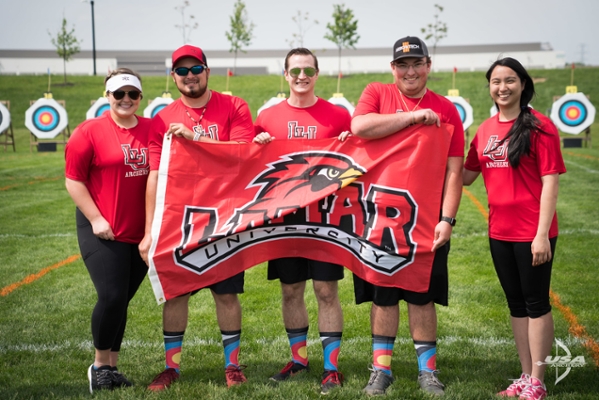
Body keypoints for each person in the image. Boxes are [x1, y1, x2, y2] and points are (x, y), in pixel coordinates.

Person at [350, 36, 464, 396]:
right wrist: (412, 116)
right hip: (380, 216)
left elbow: (455, 171)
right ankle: (380, 370)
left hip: (427, 220)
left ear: (429, 65)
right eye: (403, 64)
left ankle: (427, 371)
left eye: (417, 63)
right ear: (393, 69)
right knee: (383, 296)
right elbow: (360, 127)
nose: (410, 71)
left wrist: (448, 219)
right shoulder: (377, 93)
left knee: (421, 296)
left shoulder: (446, 109)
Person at [139, 44, 254, 391]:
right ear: (173, 76)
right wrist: (149, 232)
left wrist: (198, 138)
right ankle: (171, 367)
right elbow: (156, 176)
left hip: (227, 216)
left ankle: (232, 366)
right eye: (182, 71)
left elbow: (243, 155)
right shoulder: (162, 118)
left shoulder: (234, 105)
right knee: (176, 292)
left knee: (226, 294)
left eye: (196, 69)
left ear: (207, 70)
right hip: (182, 217)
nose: (190, 76)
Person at [463, 57, 566, 400]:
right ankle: (524, 375)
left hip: (532, 233)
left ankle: (537, 380)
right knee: (516, 305)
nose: (502, 87)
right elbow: (465, 176)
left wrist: (541, 235)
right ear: (489, 87)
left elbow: (550, 183)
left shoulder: (540, 126)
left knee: (536, 303)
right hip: (499, 234)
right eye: (495, 81)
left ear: (523, 84)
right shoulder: (484, 129)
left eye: (509, 80)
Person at [253, 47, 350, 395]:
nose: (301, 77)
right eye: (295, 71)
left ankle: (331, 367)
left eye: (308, 70)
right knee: (291, 290)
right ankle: (299, 360)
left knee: (326, 290)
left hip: (324, 218)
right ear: (285, 75)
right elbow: (247, 164)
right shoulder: (267, 117)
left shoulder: (338, 116)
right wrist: (257, 142)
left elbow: (357, 159)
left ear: (317, 73)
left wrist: (348, 143)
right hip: (283, 220)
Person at [65, 68, 150, 393]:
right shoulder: (88, 132)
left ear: (140, 97)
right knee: (112, 296)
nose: (126, 99)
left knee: (121, 300)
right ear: (107, 96)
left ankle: (112, 369)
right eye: (119, 94)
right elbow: (74, 179)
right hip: (103, 229)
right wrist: (96, 218)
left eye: (132, 94)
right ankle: (99, 365)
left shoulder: (152, 129)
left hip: (139, 233)